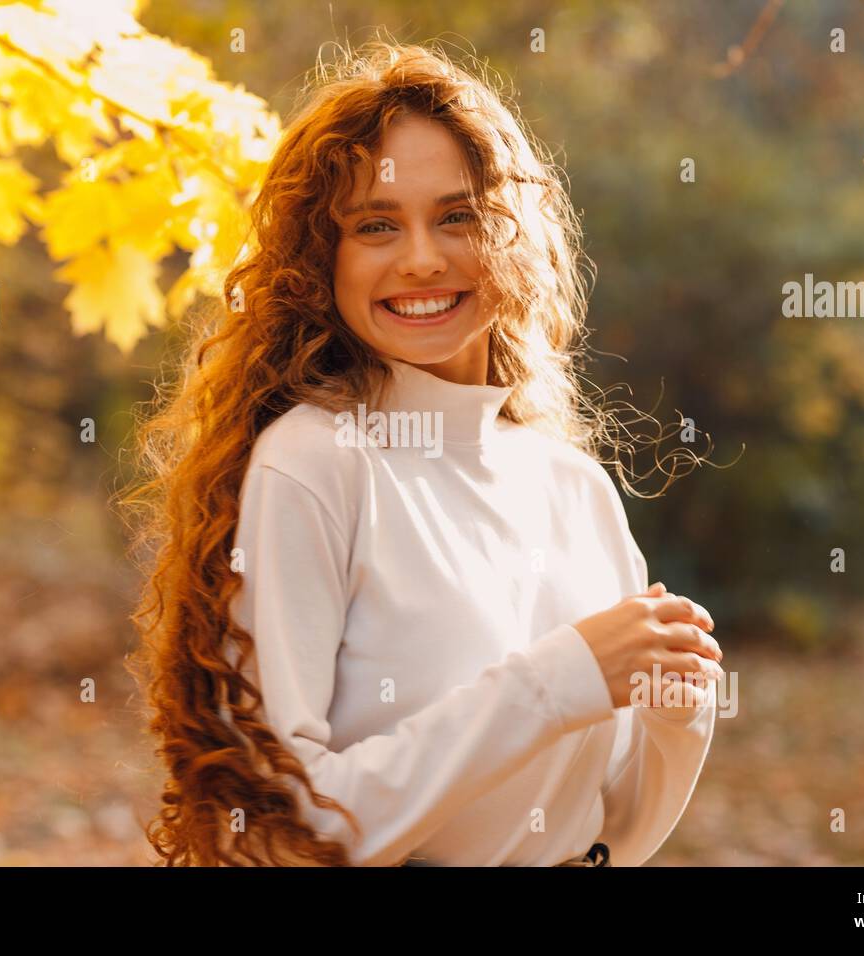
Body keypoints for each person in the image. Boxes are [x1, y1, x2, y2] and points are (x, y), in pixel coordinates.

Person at [127, 38, 724, 867]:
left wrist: (677, 706)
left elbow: (607, 831)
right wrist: (558, 680)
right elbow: (280, 821)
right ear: (320, 262)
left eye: (457, 216)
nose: (419, 258)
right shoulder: (314, 463)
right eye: (376, 224)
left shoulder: (572, 485)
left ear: (512, 235)